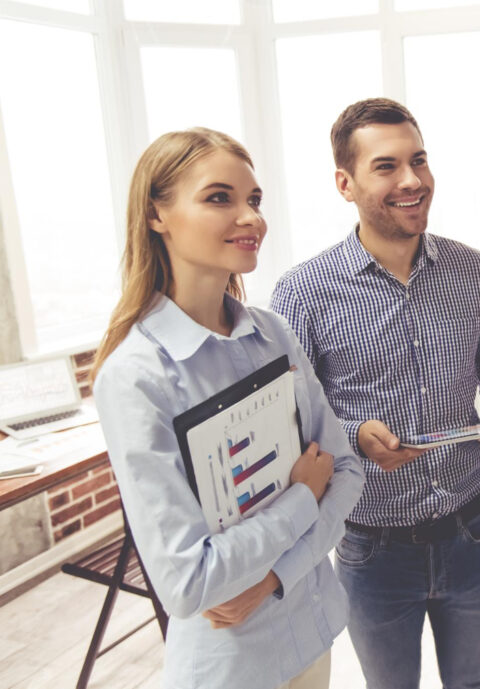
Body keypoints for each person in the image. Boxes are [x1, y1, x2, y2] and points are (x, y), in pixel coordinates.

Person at [91, 128, 365, 689]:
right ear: (156, 215)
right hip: (234, 666)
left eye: (255, 200)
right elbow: (190, 583)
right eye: (220, 198)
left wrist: (271, 578)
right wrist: (302, 496)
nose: (250, 217)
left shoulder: (274, 333)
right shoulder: (136, 378)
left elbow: (349, 471)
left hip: (311, 631)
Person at [270, 98, 480, 689]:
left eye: (419, 160)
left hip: (472, 533)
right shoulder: (301, 293)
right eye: (386, 166)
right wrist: (353, 437)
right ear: (346, 183)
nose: (412, 180)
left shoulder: (473, 271)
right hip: (371, 549)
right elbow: (292, 423)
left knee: (474, 682)